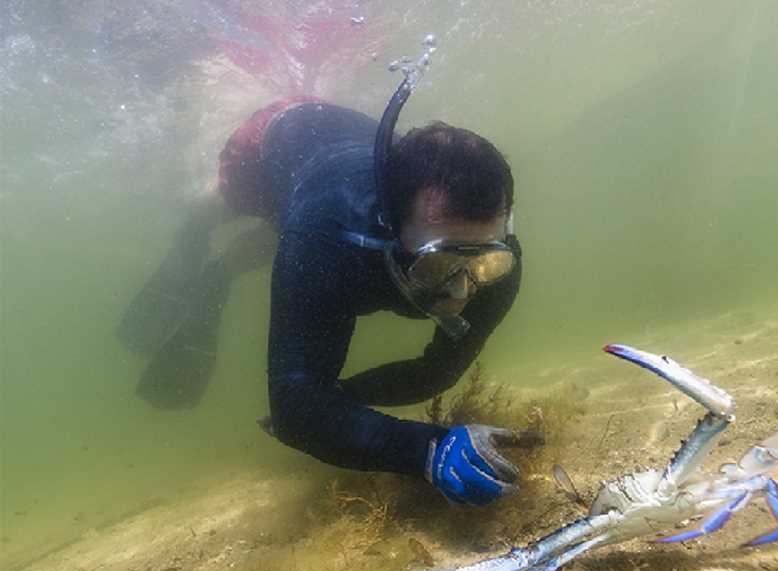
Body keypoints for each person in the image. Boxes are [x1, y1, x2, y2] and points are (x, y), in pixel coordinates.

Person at [120, 82, 524, 506]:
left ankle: (233, 259)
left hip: (329, 164)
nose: (463, 291)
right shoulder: (326, 244)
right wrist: (424, 450)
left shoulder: (501, 260)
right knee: (221, 209)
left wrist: (336, 405)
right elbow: (294, 411)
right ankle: (195, 244)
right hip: (272, 143)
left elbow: (438, 371)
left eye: (483, 263)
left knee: (289, 228)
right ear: (388, 226)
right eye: (438, 264)